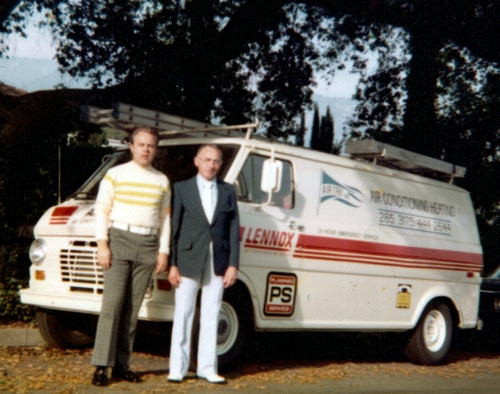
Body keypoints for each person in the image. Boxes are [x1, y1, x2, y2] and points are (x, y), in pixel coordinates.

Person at [90, 126, 171, 386]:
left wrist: (163, 250)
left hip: (147, 244)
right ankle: (102, 366)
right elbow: (102, 209)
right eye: (141, 144)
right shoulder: (115, 174)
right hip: (119, 240)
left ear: (156, 149)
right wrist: (103, 244)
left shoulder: (162, 180)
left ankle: (122, 365)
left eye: (151, 145)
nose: (146, 149)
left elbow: (164, 219)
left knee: (133, 309)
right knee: (112, 306)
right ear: (131, 146)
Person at [167, 144, 239, 384]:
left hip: (218, 260)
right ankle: (177, 368)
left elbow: (232, 229)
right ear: (196, 161)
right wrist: (172, 264)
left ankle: (207, 368)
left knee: (212, 314)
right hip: (188, 259)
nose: (212, 165)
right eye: (207, 160)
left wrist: (233, 265)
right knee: (184, 313)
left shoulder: (228, 191)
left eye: (216, 161)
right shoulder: (181, 188)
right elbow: (174, 229)